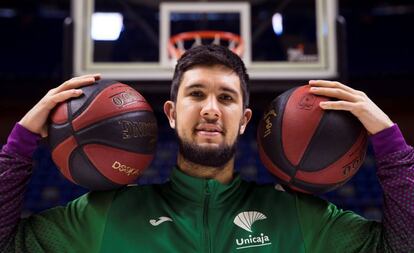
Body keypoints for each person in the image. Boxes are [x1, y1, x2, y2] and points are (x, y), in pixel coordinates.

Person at [0, 45, 413, 253]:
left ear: (246, 120)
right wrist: (20, 142)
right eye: (196, 94)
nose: (212, 110)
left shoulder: (302, 219)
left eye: (227, 98)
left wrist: (389, 143)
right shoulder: (103, 215)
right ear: (171, 113)